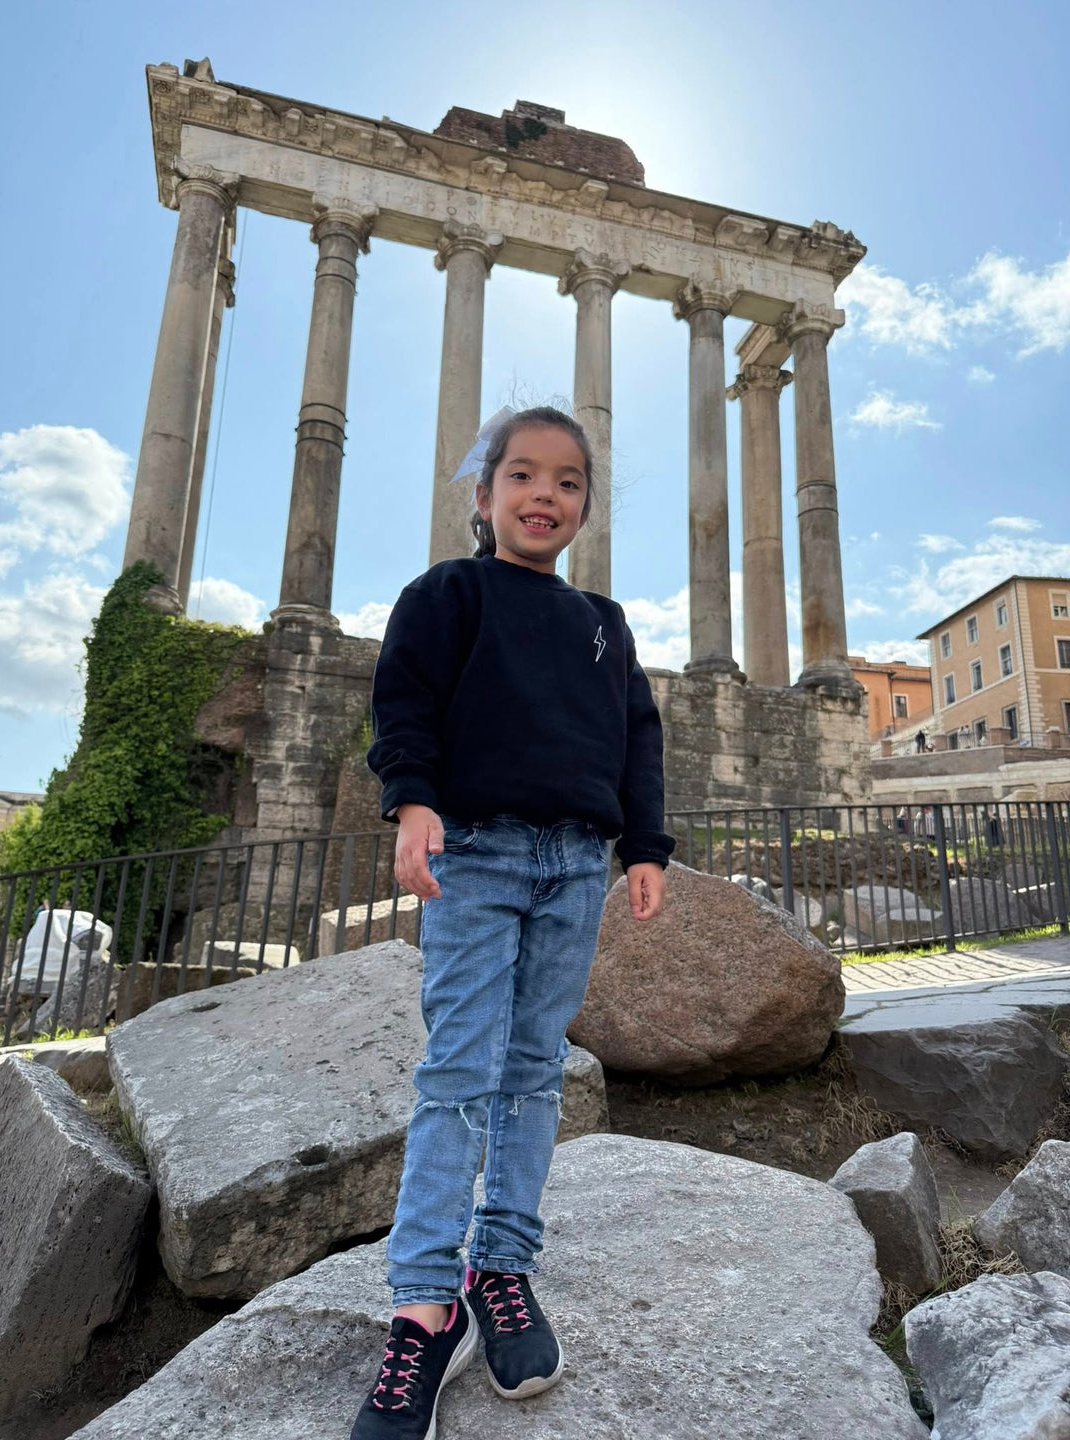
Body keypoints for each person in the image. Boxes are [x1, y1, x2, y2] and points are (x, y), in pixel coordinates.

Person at [353, 405, 674, 1439]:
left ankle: (502, 1267)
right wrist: (412, 800)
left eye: (568, 481)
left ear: (584, 506)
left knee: (535, 1071)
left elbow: (636, 739)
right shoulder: (447, 593)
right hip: (476, 854)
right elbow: (404, 700)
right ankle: (423, 1306)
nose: (546, 494)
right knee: (457, 1070)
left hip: (576, 866)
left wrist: (645, 846)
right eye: (523, 474)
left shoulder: (603, 622)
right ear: (484, 494)